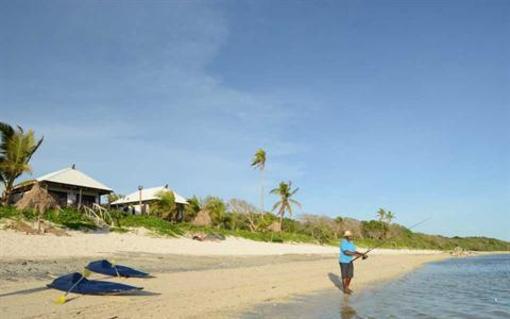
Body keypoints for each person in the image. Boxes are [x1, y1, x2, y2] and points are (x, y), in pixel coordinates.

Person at [339, 230, 367, 294]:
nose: (351, 237)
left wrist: (362, 254)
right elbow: (346, 252)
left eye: (351, 236)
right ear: (346, 237)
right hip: (343, 261)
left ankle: (346, 287)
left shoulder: (351, 243)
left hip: (350, 261)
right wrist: (357, 255)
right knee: (344, 276)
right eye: (350, 236)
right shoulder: (343, 243)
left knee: (350, 276)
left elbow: (354, 251)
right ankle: (345, 289)